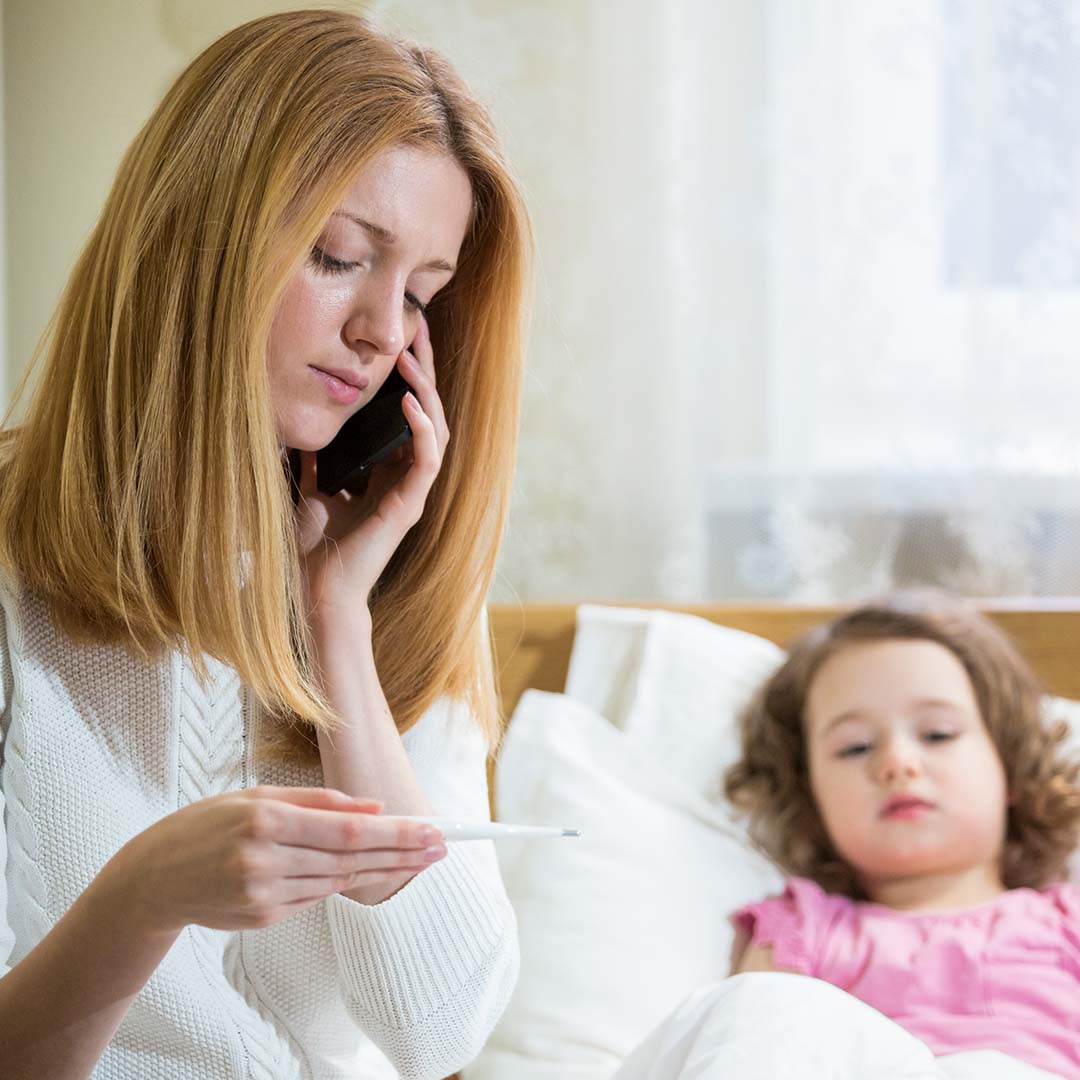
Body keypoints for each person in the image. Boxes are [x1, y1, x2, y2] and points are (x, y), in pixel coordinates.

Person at [0, 10, 529, 1079]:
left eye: (421, 295)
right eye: (339, 257)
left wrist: (337, 628)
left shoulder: (396, 591)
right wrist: (141, 900)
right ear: (193, 240)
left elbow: (439, 1036)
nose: (383, 331)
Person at [617, 592, 1080, 1079]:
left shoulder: (1066, 921)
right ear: (811, 797)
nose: (896, 763)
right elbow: (752, 1045)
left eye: (938, 734)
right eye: (855, 747)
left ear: (1009, 766)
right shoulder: (805, 929)